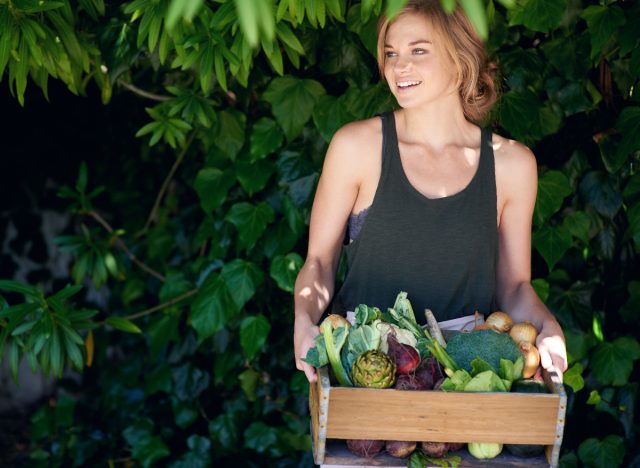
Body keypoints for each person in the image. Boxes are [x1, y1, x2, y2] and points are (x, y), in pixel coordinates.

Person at [293, 0, 568, 384]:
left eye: (418, 50)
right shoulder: (356, 148)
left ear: (461, 56)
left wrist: (547, 326)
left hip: (469, 379)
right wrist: (304, 321)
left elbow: (515, 286)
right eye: (391, 53)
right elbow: (319, 263)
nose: (398, 66)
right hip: (364, 375)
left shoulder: (512, 165)